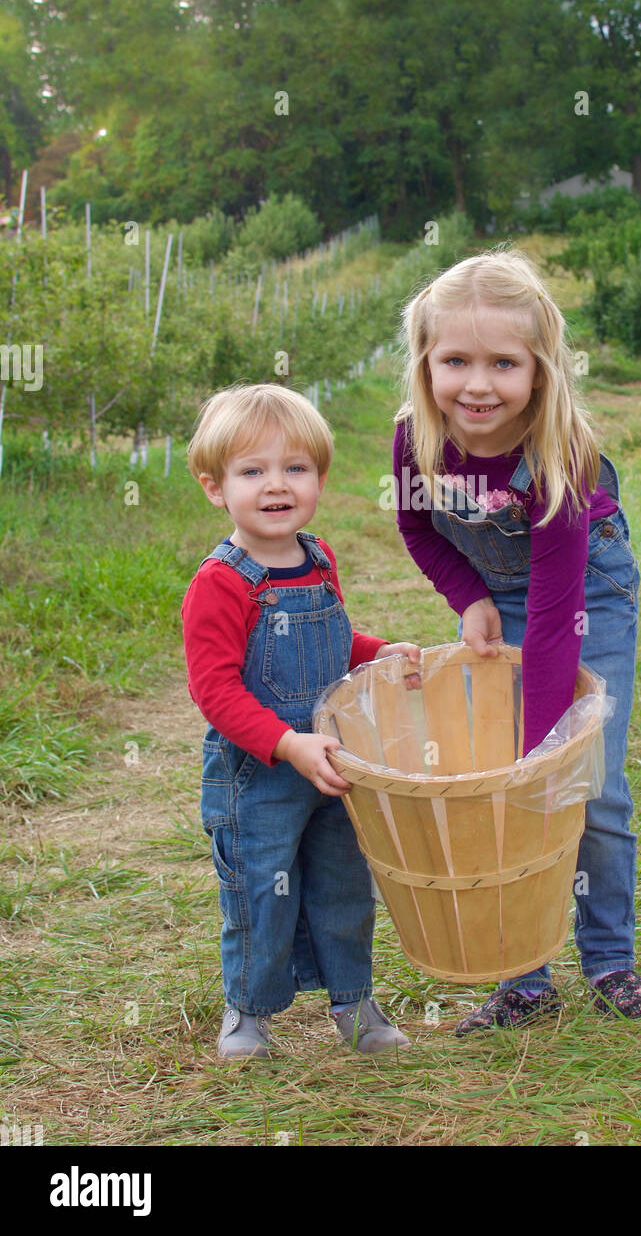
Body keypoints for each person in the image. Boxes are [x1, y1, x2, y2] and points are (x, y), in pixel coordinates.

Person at [392, 248, 641, 1034]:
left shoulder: (559, 456)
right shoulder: (418, 440)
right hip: (500, 597)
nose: (478, 385)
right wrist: (467, 595)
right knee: (497, 789)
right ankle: (525, 980)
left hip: (586, 600)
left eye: (503, 363)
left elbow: (554, 619)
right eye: (456, 361)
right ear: (426, 362)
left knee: (587, 782)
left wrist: (545, 752)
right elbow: (416, 528)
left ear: (540, 371)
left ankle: (609, 957)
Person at [183, 382, 421, 1059]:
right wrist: (286, 744)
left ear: (319, 478)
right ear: (215, 487)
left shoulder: (318, 560)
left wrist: (380, 654)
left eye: (296, 469)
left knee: (345, 882)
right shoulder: (221, 584)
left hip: (334, 764)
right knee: (261, 892)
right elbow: (216, 691)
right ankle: (248, 1013)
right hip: (259, 774)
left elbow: (332, 646)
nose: (276, 485)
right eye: (252, 471)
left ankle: (355, 1004)